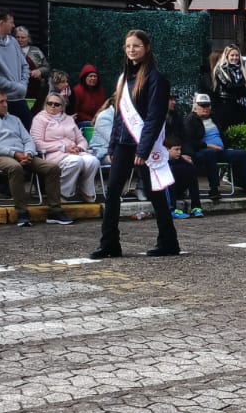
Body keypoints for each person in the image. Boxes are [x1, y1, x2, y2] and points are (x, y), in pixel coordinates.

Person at [90, 30, 179, 259]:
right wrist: (111, 146)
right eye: (128, 46)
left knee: (155, 192)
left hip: (142, 145)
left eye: (136, 45)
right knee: (112, 192)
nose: (131, 49)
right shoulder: (123, 78)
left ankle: (168, 241)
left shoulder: (156, 79)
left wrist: (143, 149)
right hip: (122, 143)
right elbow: (119, 116)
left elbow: (154, 117)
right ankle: (109, 243)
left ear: (147, 48)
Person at [0, 88, 71, 228]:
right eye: (1, 102)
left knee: (52, 168)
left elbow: (27, 139)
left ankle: (55, 211)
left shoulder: (14, 119)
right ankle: (21, 212)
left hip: (22, 155)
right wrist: (14, 154)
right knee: (15, 167)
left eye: (6, 101)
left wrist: (28, 153)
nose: (5, 105)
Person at [184, 93, 246, 198]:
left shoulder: (214, 117)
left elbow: (222, 134)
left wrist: (225, 146)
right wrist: (208, 146)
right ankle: (214, 190)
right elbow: (189, 141)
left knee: (243, 154)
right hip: (202, 152)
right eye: (202, 106)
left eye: (207, 105)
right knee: (210, 153)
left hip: (220, 151)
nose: (205, 108)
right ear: (195, 107)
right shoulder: (190, 120)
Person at [29, 92, 101, 201]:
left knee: (93, 161)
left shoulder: (69, 119)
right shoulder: (39, 119)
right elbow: (37, 143)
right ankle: (62, 192)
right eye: (49, 103)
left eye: (56, 104)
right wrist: (63, 147)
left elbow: (81, 139)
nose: (52, 106)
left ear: (62, 106)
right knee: (75, 161)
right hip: (52, 154)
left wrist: (80, 147)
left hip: (75, 152)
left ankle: (85, 190)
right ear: (45, 104)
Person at [0, 10, 33, 126]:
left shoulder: (12, 41)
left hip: (18, 97)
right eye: (11, 22)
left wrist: (23, 84)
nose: (13, 25)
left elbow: (24, 65)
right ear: (1, 23)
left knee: (27, 129)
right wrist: (16, 87)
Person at [212, 45, 246, 132]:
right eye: (232, 55)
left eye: (237, 55)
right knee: (227, 132)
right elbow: (228, 87)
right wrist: (243, 87)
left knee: (242, 132)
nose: (235, 57)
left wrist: (241, 88)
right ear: (227, 56)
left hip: (241, 106)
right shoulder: (220, 70)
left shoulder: (244, 69)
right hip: (226, 106)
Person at [15, 26, 48, 104]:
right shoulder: (10, 51)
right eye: (17, 37)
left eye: (23, 37)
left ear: (28, 38)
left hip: (35, 89)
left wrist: (39, 71)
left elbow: (47, 67)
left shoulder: (36, 51)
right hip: (16, 90)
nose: (20, 40)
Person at [89, 96, 116, 169]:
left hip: (115, 151)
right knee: (125, 157)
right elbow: (113, 140)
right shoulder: (105, 117)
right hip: (102, 154)